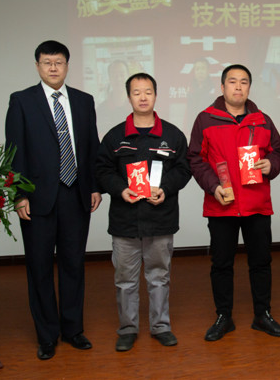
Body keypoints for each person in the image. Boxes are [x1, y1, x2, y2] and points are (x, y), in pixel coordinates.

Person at [5, 40, 102, 360]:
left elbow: (92, 147)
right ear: (37, 66)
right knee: (40, 267)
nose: (53, 68)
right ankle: (47, 335)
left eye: (58, 62)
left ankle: (73, 329)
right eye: (47, 62)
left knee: (74, 264)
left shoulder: (84, 101)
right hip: (37, 198)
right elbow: (14, 151)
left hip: (76, 194)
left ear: (67, 65)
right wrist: (19, 194)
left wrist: (95, 187)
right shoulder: (22, 101)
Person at [187, 63, 280, 341]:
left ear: (249, 87)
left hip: (256, 204)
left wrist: (271, 164)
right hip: (222, 204)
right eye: (232, 81)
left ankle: (263, 315)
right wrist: (213, 186)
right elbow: (195, 158)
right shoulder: (205, 119)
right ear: (222, 87)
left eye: (244, 82)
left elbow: (278, 151)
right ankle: (224, 317)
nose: (238, 86)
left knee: (261, 262)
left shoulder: (262, 119)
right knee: (221, 264)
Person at [96, 73, 192, 351]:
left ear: (155, 95)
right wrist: (120, 189)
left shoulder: (172, 135)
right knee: (125, 280)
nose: (142, 97)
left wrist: (166, 189)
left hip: (160, 219)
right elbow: (101, 169)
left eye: (148, 91)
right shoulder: (115, 136)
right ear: (129, 97)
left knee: (159, 276)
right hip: (125, 221)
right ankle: (128, 329)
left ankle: (161, 326)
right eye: (136, 92)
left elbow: (184, 169)